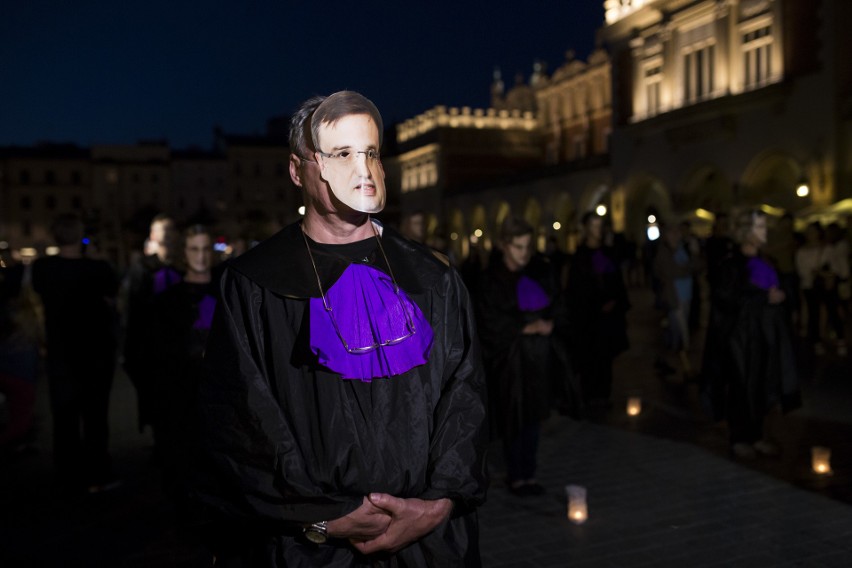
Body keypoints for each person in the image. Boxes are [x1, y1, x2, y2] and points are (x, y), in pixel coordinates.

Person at [188, 91, 488, 566]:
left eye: (370, 152)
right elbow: (239, 417)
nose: (361, 169)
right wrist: (320, 515)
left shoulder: (434, 278)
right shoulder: (253, 285)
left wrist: (438, 502)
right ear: (296, 170)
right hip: (308, 548)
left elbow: (465, 394)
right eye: (341, 154)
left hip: (428, 542)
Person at [476, 216, 575, 497]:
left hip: (536, 361)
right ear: (504, 246)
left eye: (527, 247)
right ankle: (516, 474)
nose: (523, 253)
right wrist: (523, 326)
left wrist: (550, 323)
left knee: (533, 416)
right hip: (509, 363)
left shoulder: (538, 273)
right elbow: (488, 321)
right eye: (518, 247)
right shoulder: (490, 280)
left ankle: (527, 474)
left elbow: (557, 305)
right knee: (513, 414)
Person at [701, 210, 800, 459]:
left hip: (764, 335)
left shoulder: (766, 261)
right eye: (759, 227)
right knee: (741, 385)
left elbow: (781, 287)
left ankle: (756, 435)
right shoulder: (730, 264)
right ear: (746, 231)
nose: (765, 232)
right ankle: (739, 438)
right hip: (740, 337)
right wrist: (762, 297)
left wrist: (782, 294)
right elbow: (726, 298)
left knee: (761, 384)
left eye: (765, 227)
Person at [31, 214, 120, 492]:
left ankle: (67, 476)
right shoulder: (99, 269)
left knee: (64, 420)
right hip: (95, 356)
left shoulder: (42, 267)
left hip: (61, 355)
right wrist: (93, 257)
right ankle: (97, 475)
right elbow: (112, 295)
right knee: (95, 418)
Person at [151, 225, 218, 511]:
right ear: (183, 252)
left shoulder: (226, 292)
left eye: (205, 248)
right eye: (194, 249)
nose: (200, 256)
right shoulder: (168, 300)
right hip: (180, 395)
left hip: (219, 395)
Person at [122, 213, 181, 447]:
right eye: (162, 231)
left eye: (170, 231)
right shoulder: (144, 269)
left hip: (175, 346)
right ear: (153, 236)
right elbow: (135, 309)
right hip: (151, 347)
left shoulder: (178, 266)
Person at [566, 212, 630, 409]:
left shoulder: (606, 253)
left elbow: (615, 282)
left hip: (607, 317)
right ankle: (590, 393)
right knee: (589, 356)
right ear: (586, 229)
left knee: (605, 356)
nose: (597, 230)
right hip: (588, 318)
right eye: (593, 226)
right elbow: (576, 290)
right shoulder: (580, 257)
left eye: (599, 225)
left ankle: (603, 393)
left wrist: (614, 301)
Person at [795, 222, 828, 355]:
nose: (811, 234)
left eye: (813, 231)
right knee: (813, 312)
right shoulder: (802, 251)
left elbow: (833, 265)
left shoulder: (826, 248)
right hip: (809, 285)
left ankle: (822, 336)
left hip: (824, 284)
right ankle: (815, 339)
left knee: (824, 310)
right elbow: (802, 269)